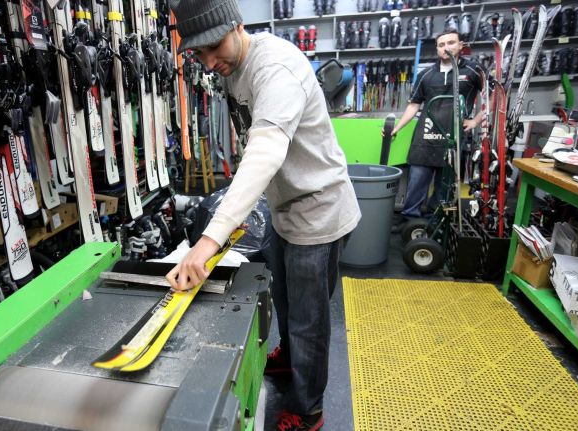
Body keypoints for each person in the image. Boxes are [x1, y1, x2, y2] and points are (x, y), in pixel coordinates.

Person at [166, 1, 361, 429]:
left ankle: (308, 410)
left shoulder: (277, 70)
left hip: (318, 211)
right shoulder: (231, 68)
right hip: (285, 207)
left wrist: (209, 240)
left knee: (309, 321)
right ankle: (289, 359)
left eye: (215, 47)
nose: (210, 62)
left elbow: (266, 151)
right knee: (287, 299)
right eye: (199, 54)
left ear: (237, 26)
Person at [387, 29, 484, 231]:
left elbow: (493, 98)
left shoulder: (473, 71)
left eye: (451, 43)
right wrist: (396, 127)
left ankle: (434, 219)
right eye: (441, 45)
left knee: (444, 185)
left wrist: (475, 121)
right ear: (437, 49)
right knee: (417, 181)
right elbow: (414, 105)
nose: (446, 48)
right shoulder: (426, 75)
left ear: (460, 45)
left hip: (453, 137)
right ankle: (409, 220)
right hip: (426, 136)